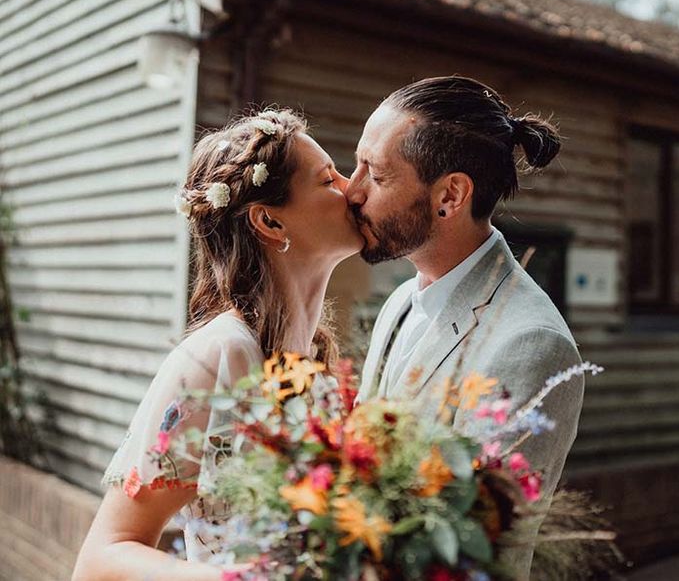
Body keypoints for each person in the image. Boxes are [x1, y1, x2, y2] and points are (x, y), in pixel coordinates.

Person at [72, 108, 361, 580]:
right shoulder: (220, 354)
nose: (352, 188)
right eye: (329, 179)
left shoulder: (318, 363)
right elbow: (103, 556)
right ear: (270, 221)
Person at [348, 75, 585, 581]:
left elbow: (476, 550)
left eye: (377, 175)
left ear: (450, 196)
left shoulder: (530, 343)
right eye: (357, 165)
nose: (352, 190)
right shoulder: (398, 301)